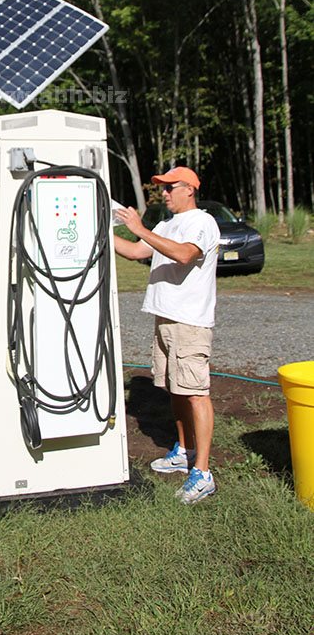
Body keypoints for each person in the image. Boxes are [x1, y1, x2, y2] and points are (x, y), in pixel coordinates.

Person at [114, 166, 220, 504]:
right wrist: (96, 230)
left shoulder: (201, 222)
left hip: (189, 322)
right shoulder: (166, 225)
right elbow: (135, 252)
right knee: (175, 389)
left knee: (195, 393)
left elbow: (184, 254)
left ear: (189, 189)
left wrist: (140, 228)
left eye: (170, 187)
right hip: (165, 318)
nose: (164, 193)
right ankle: (184, 452)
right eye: (162, 188)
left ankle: (202, 473)